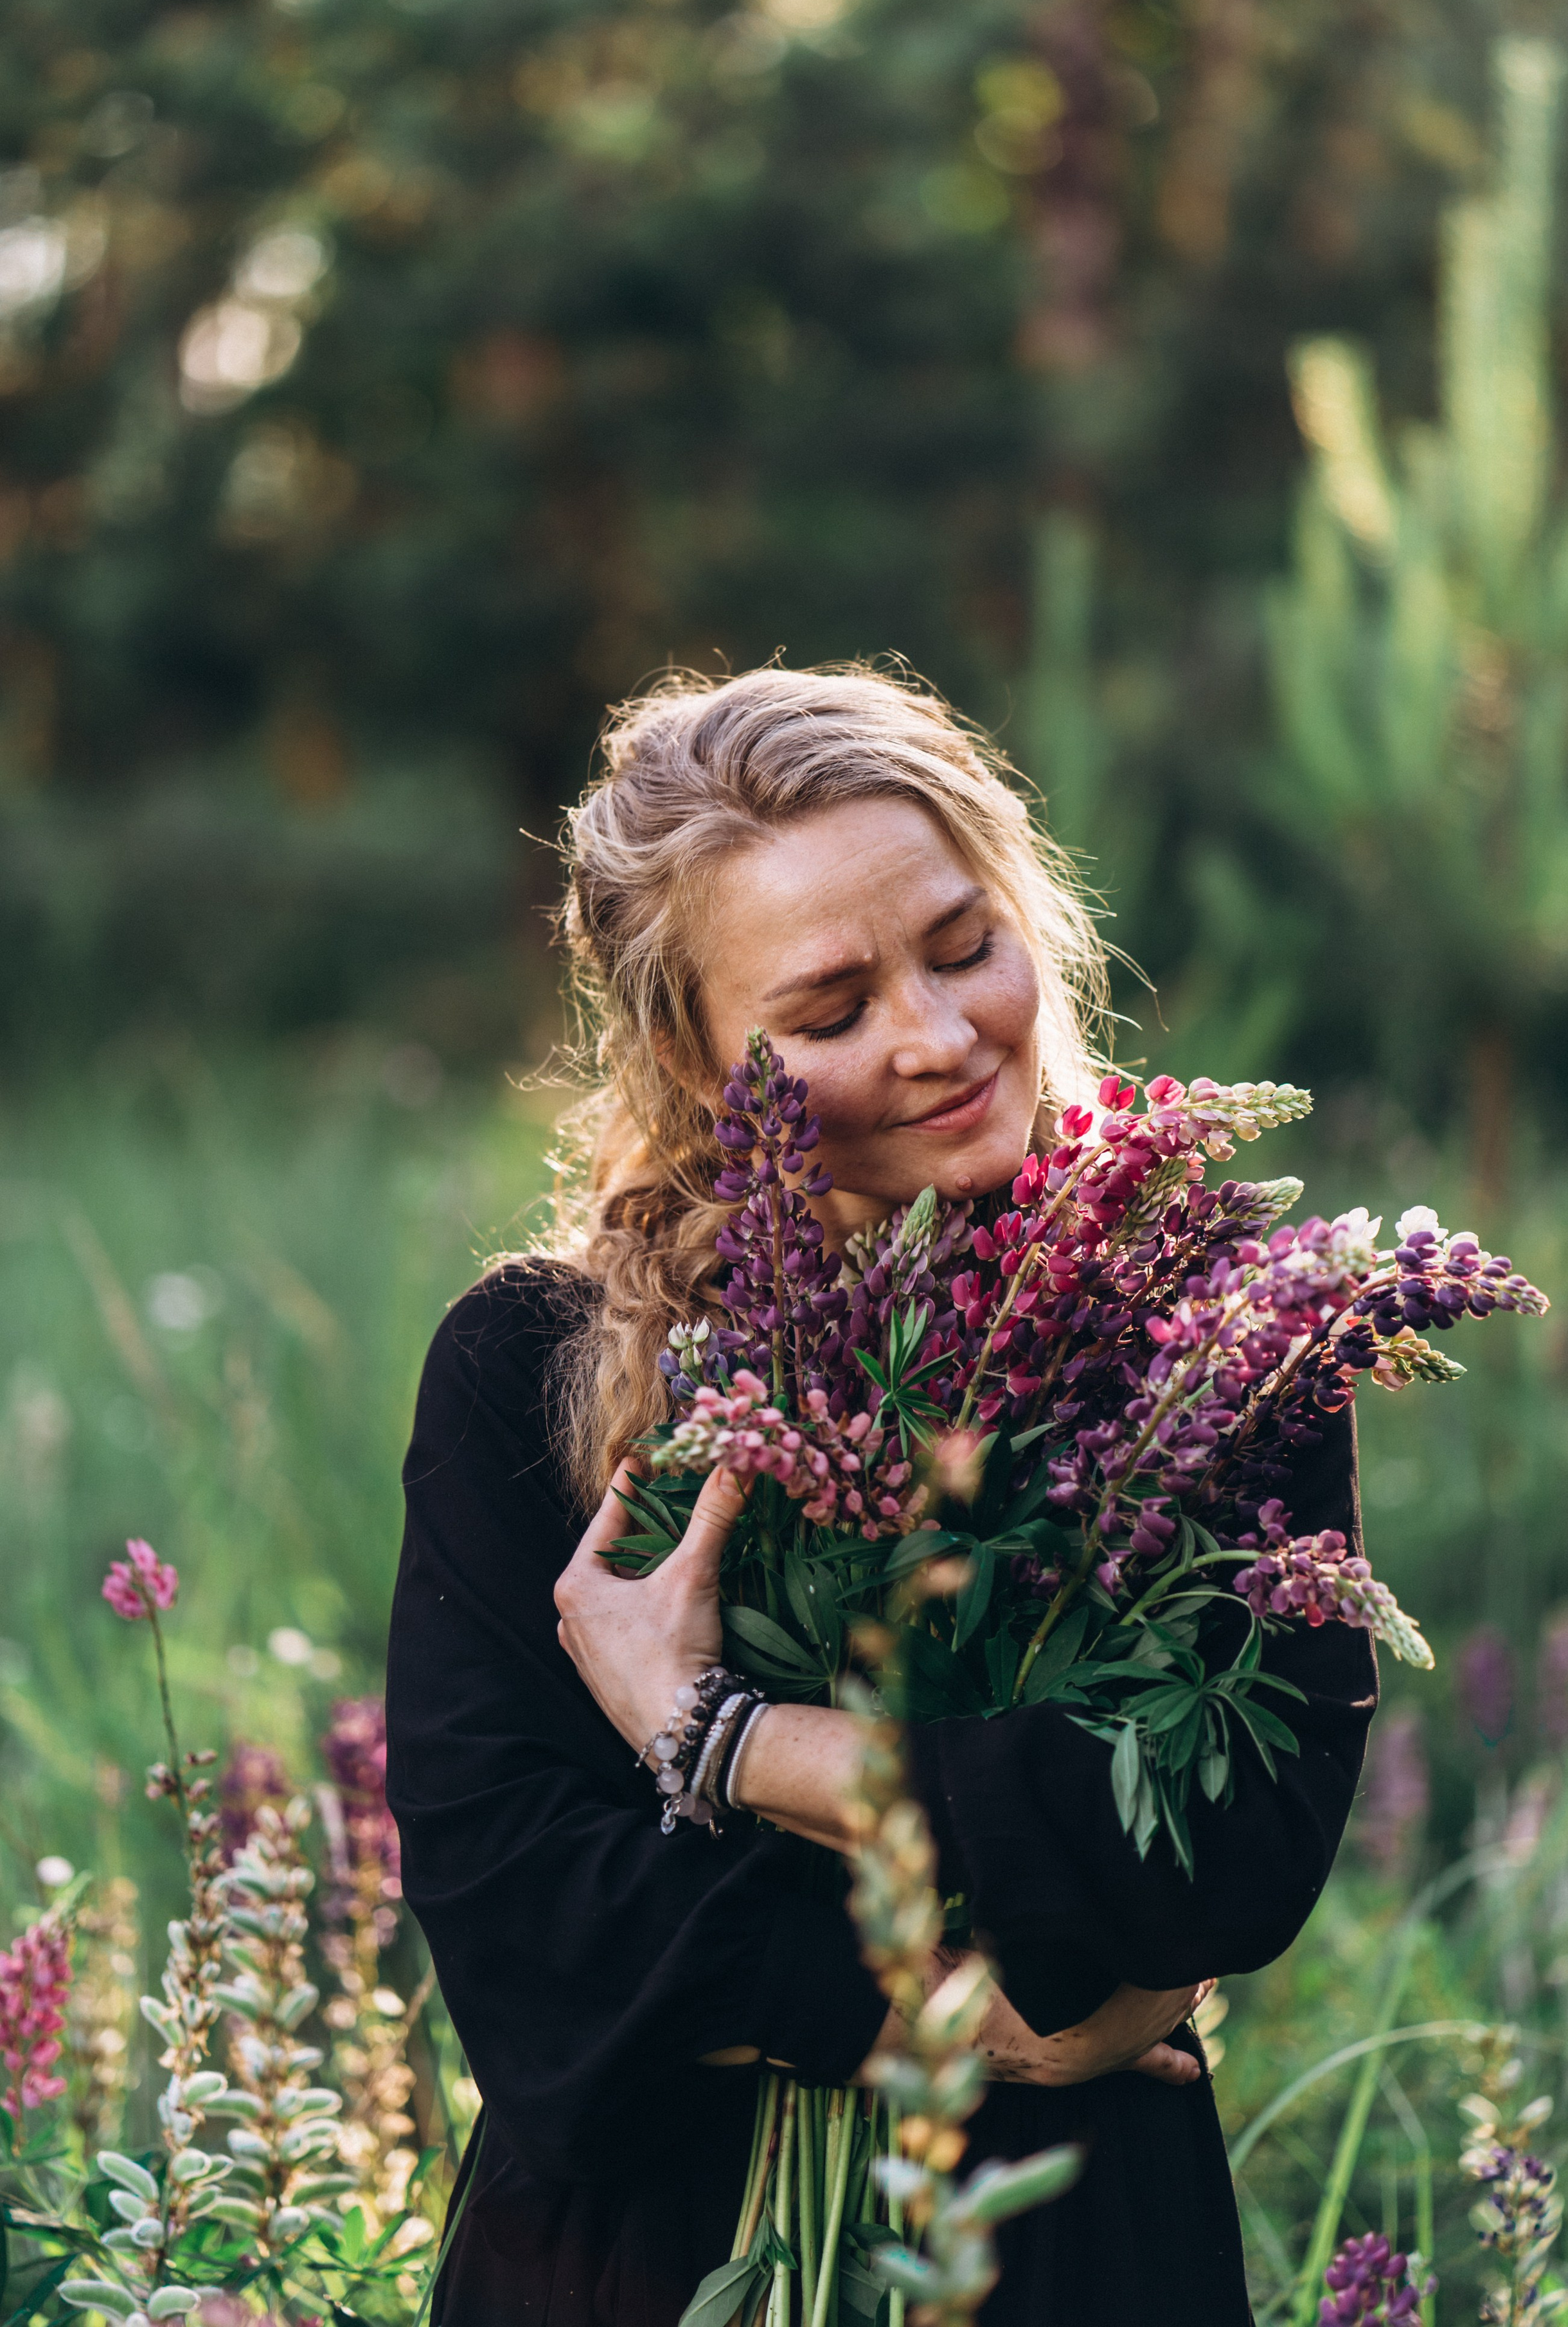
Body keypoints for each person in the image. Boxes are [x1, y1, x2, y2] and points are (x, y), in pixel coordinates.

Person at [386, 665, 1376, 2326]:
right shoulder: (532, 1368)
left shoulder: (1232, 1333)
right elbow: (525, 1928)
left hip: (1067, 2259)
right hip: (646, 2258)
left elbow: (1214, 1867)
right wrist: (984, 2016)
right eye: (830, 1013)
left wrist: (724, 1740)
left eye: (963, 944)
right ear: (696, 1062)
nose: (936, 1038)